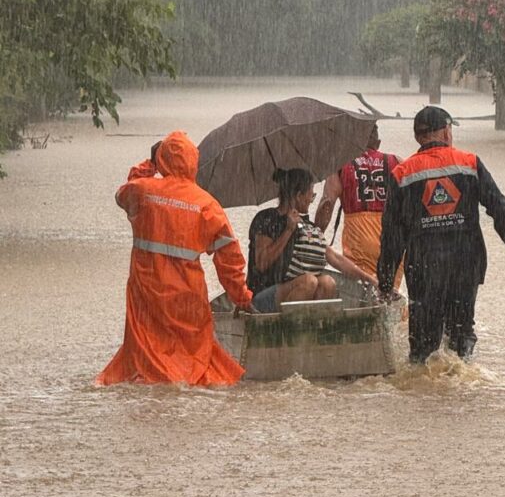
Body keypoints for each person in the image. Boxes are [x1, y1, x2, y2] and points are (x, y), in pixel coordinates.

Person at [377, 105, 505, 363]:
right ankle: (460, 391)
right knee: (461, 339)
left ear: (418, 137)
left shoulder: (402, 174)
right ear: (447, 132)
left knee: (423, 347)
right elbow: (499, 208)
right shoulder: (469, 164)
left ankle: (424, 394)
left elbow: (392, 236)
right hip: (465, 264)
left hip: (423, 267)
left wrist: (384, 283)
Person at [96, 130, 253, 386]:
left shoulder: (143, 190)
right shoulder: (207, 205)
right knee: (194, 359)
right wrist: (242, 297)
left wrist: (150, 165)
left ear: (161, 160)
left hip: (147, 296)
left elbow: (123, 193)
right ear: (193, 162)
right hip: (188, 300)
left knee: (145, 359)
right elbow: (230, 260)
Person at [248, 167, 376, 313]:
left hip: (293, 294)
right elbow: (262, 263)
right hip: (262, 298)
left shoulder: (307, 225)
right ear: (298, 196)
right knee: (308, 281)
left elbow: (335, 258)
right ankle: (287, 331)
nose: (311, 201)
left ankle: (312, 330)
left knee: (327, 283)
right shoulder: (267, 218)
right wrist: (288, 230)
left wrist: (368, 278)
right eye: (311, 195)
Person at [314, 123, 402, 288]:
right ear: (378, 143)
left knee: (365, 292)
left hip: (360, 239)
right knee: (391, 294)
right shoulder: (396, 162)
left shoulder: (341, 166)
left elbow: (327, 204)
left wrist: (314, 236)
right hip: (393, 238)